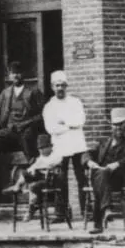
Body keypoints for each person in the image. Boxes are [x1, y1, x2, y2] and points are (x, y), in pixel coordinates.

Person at [25, 71, 89, 222]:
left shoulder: (75, 102)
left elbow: (80, 120)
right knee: (60, 179)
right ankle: (62, 213)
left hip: (77, 144)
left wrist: (63, 122)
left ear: (66, 86)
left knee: (82, 178)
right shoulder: (49, 107)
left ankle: (87, 211)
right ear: (53, 87)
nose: (60, 88)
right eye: (57, 85)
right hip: (61, 146)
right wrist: (70, 125)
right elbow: (51, 128)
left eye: (62, 85)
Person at [0, 63, 45, 192]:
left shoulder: (33, 92)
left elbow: (43, 114)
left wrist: (26, 123)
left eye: (18, 72)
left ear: (23, 74)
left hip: (27, 133)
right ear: (9, 75)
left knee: (30, 148)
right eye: (13, 73)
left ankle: (36, 183)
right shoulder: (6, 93)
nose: (16, 75)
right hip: (10, 133)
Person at [87, 106, 125, 233]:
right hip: (101, 177)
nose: (119, 128)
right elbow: (86, 153)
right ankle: (106, 209)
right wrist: (89, 162)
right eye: (116, 125)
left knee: (100, 178)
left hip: (118, 179)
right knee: (101, 174)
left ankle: (98, 223)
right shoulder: (103, 143)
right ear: (111, 126)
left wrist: (117, 164)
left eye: (121, 125)